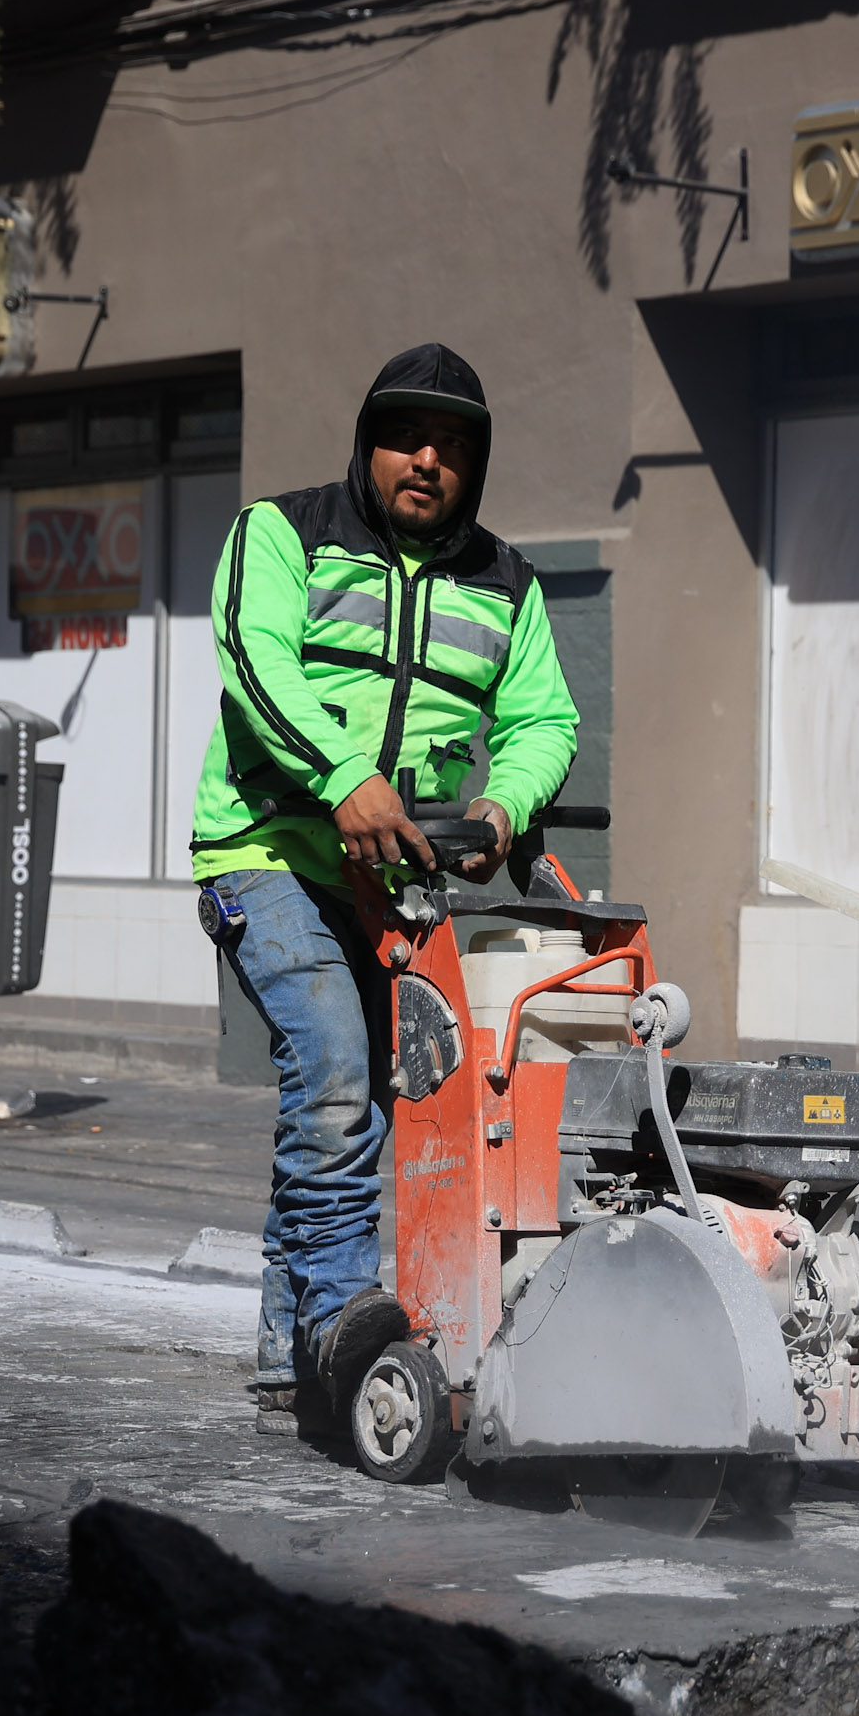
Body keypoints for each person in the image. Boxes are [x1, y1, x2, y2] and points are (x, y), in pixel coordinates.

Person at [190, 343, 579, 1437]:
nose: (428, 460)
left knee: (365, 1099)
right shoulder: (283, 532)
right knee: (335, 1074)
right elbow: (253, 658)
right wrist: (344, 778)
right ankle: (343, 1341)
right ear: (367, 443)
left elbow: (544, 718)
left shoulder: (509, 581)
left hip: (391, 886)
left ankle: (284, 1359)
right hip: (264, 852)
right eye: (409, 437)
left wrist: (503, 805)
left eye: (455, 447)